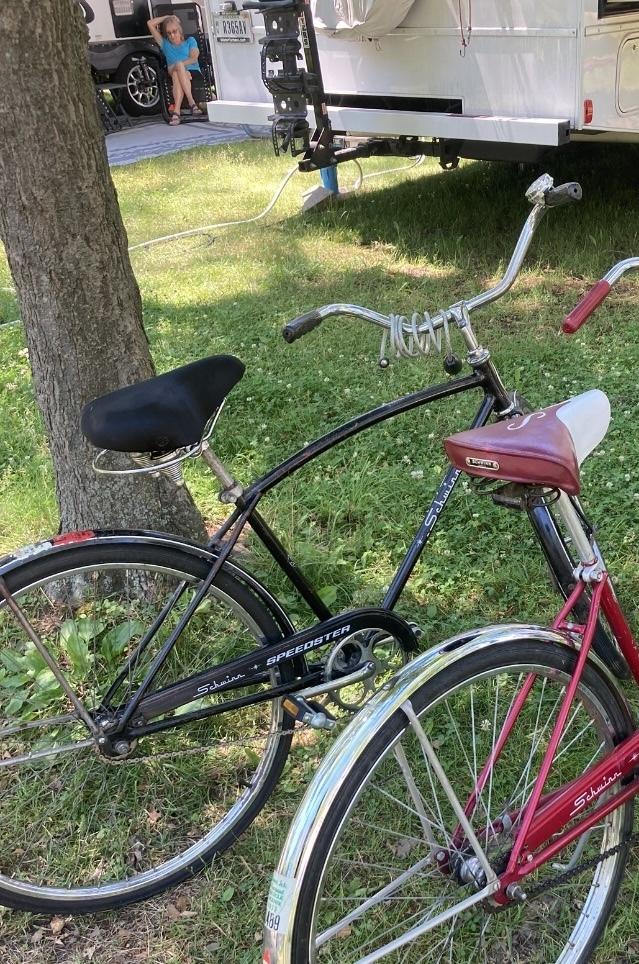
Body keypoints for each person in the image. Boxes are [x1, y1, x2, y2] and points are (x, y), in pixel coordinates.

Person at [147, 14, 204, 125]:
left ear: (180, 30)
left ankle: (176, 112)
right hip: (174, 69)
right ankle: (192, 103)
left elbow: (194, 58)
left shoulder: (190, 41)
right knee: (178, 67)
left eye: (174, 31)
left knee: (177, 73)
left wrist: (181, 67)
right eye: (169, 33)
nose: (172, 35)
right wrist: (168, 17)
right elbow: (150, 23)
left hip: (192, 71)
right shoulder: (165, 44)